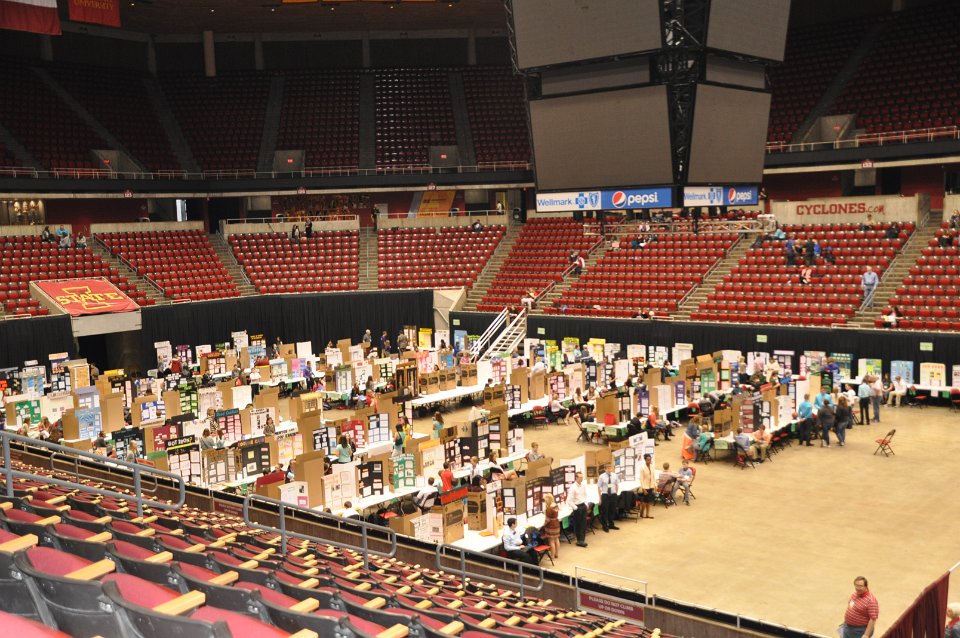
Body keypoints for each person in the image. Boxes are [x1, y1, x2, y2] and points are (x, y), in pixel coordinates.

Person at [566, 471, 589, 547]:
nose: (581, 478)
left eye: (582, 477)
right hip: (577, 507)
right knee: (578, 524)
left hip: (583, 505)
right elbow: (569, 500)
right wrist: (576, 508)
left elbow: (585, 495)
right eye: (580, 477)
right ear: (576, 478)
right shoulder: (573, 487)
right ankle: (579, 540)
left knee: (583, 524)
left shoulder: (583, 485)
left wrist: (586, 503)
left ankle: (582, 539)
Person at [597, 463, 620, 532]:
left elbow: (617, 484)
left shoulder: (615, 475)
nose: (609, 469)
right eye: (608, 468)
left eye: (610, 468)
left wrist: (616, 493)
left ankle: (611, 524)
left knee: (612, 510)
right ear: (605, 469)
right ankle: (605, 526)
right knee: (605, 511)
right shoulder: (601, 476)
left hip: (613, 495)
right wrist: (600, 498)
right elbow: (599, 487)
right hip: (605, 495)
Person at [542, 493, 561, 560]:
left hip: (551, 526)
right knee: (556, 539)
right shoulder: (555, 505)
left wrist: (544, 524)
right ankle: (556, 554)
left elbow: (547, 519)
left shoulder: (549, 508)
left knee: (551, 541)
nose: (545, 502)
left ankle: (552, 556)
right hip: (556, 523)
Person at [638, 454, 656, 519]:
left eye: (650, 459)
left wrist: (655, 485)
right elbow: (641, 479)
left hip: (651, 486)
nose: (649, 461)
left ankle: (647, 514)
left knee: (648, 502)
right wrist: (643, 489)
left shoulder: (652, 466)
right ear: (645, 460)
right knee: (644, 502)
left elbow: (653, 476)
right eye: (648, 460)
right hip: (645, 487)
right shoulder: (642, 468)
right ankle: (641, 513)